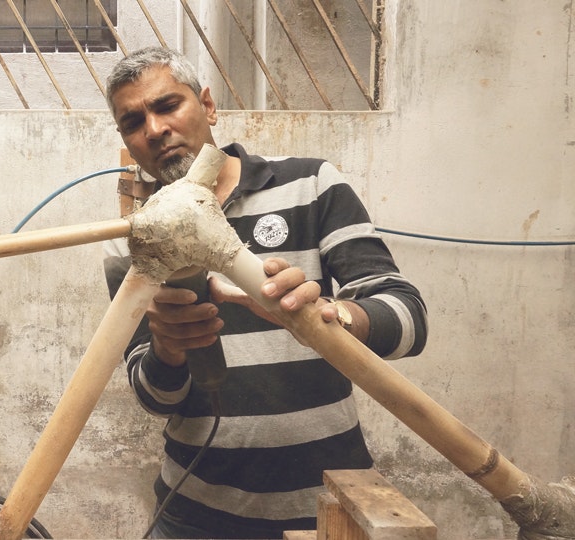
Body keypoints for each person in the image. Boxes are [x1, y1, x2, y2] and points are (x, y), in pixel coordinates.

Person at [102, 47, 429, 539]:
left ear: (208, 106)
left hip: (326, 504)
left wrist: (329, 317)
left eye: (167, 106)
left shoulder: (310, 185)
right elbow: (153, 398)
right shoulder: (135, 236)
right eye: (133, 122)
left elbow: (408, 319)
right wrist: (167, 350)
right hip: (193, 514)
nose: (153, 129)